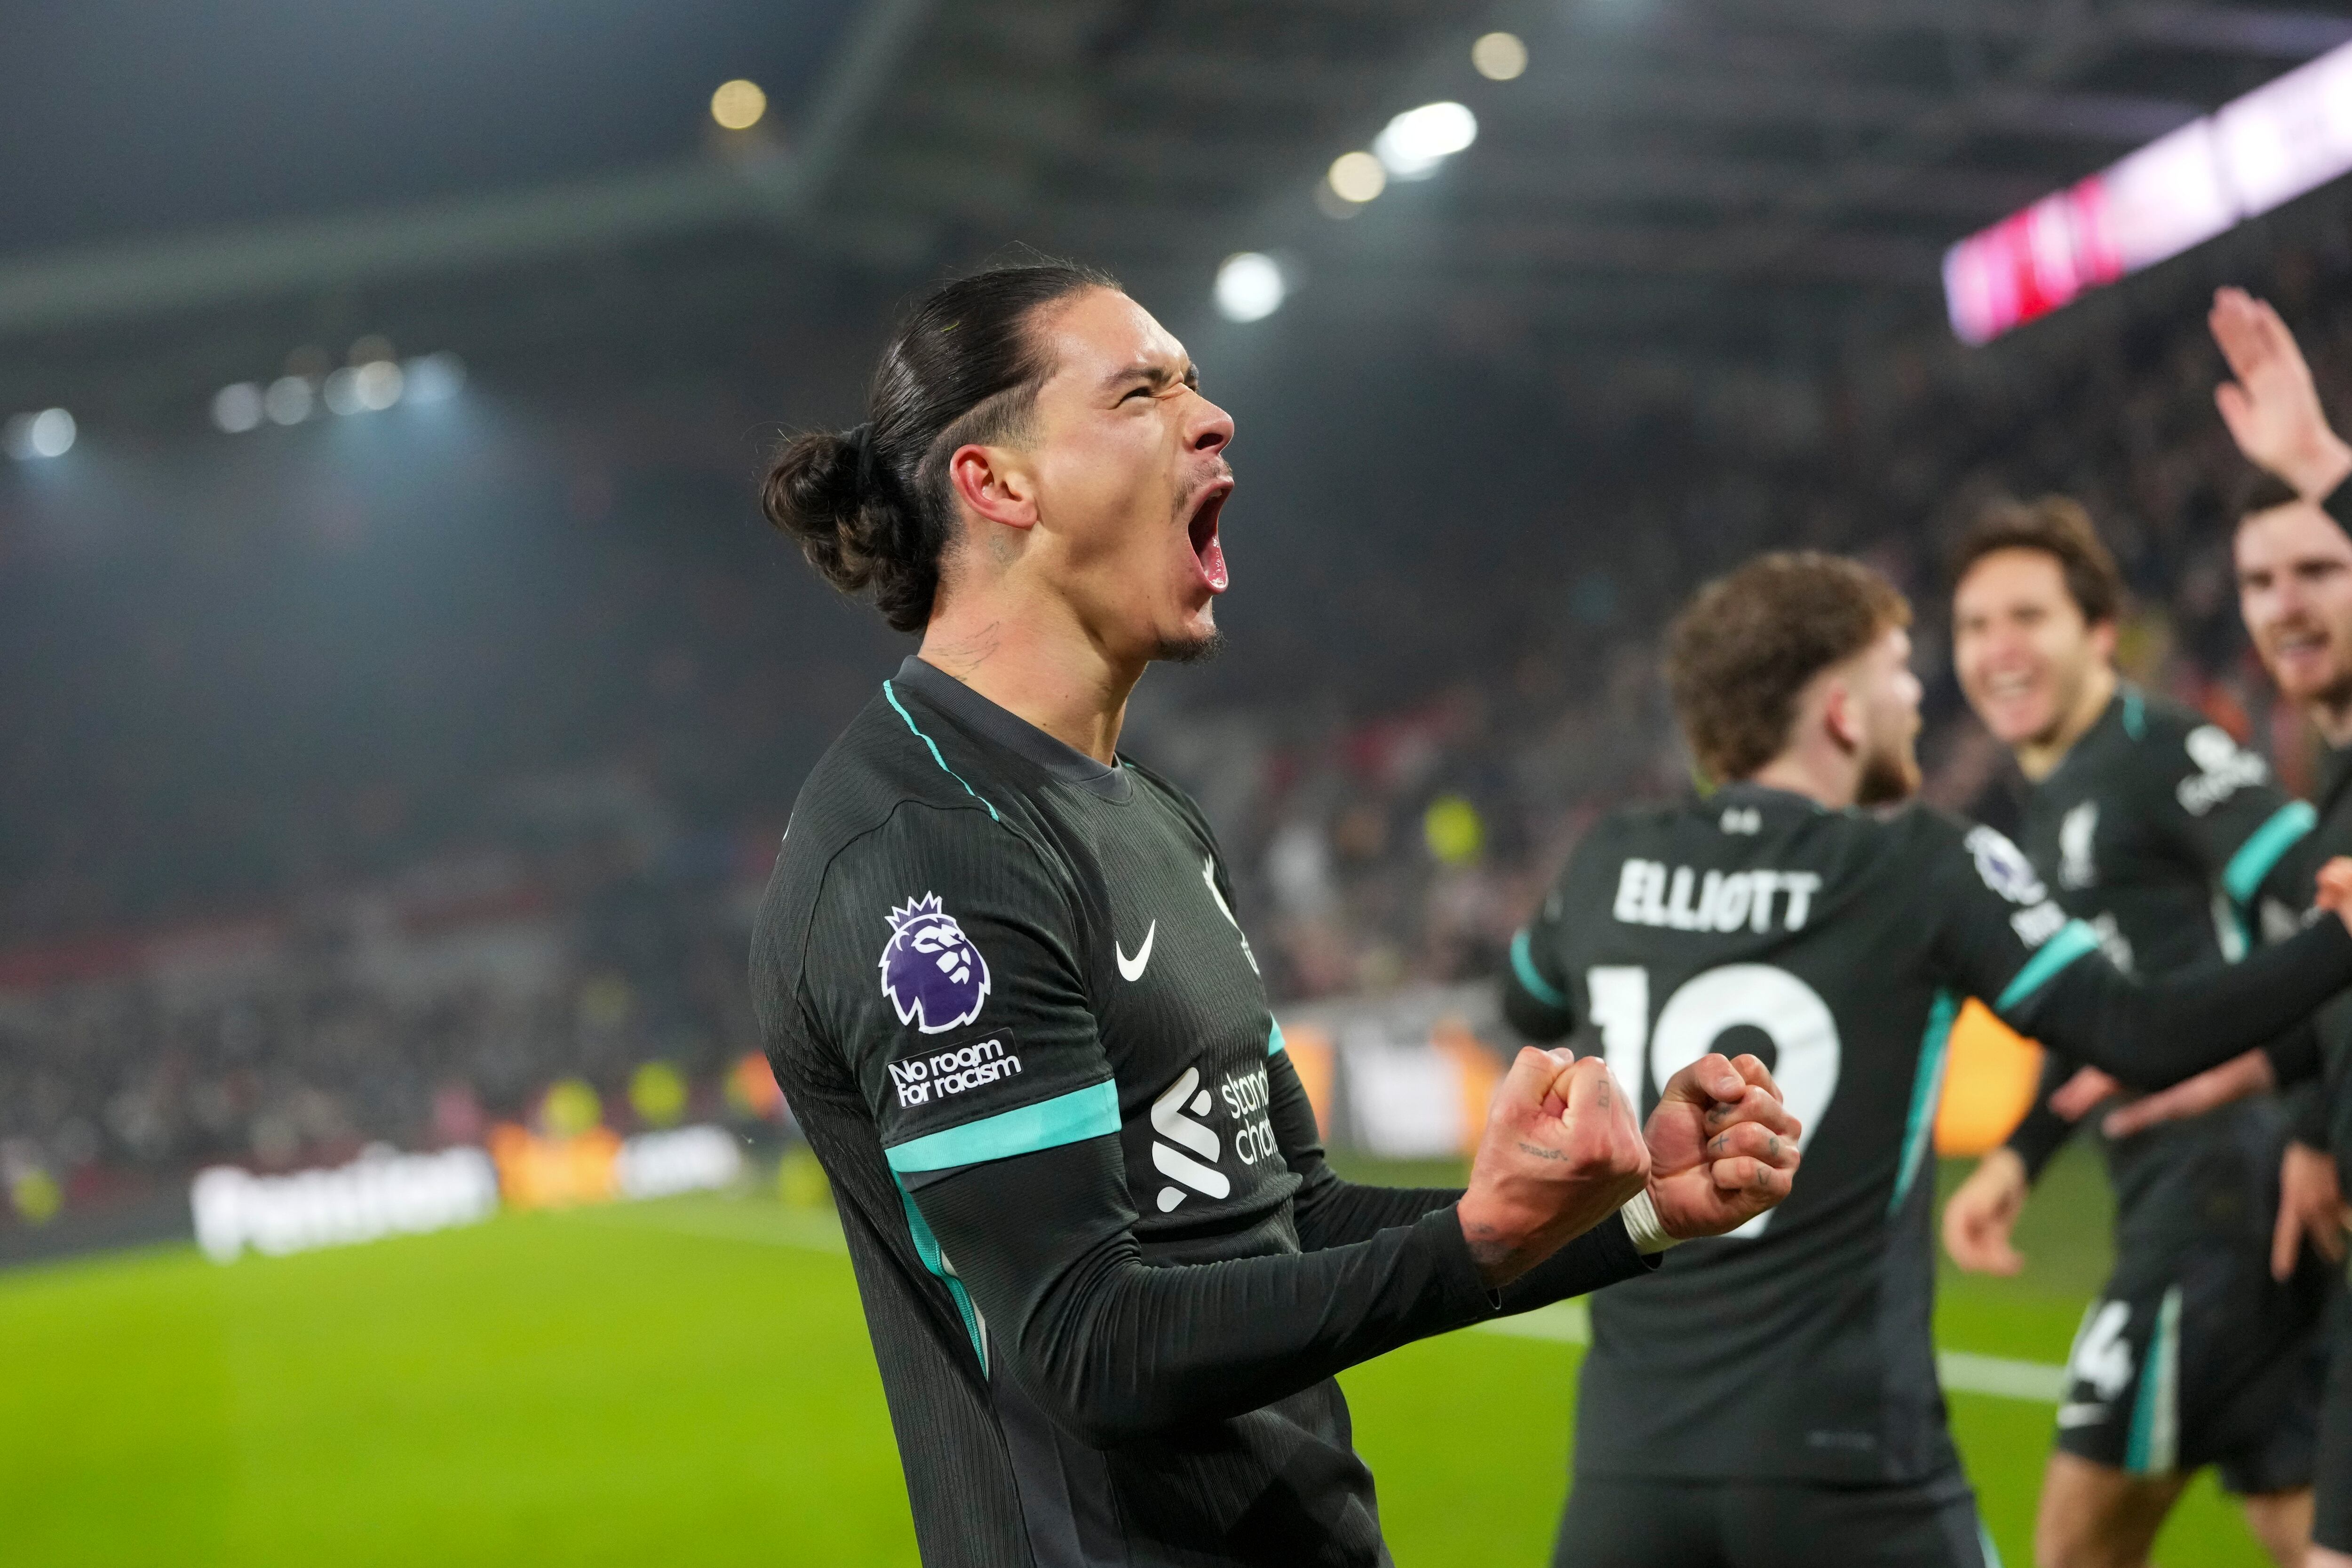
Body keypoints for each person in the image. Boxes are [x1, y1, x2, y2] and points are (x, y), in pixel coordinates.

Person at [746, 259, 1804, 1568]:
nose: (1213, 415)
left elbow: (1285, 1215)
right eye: (1142, 388)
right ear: (999, 483)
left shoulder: (1148, 814)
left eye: (1195, 380)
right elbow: (1087, 1340)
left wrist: (1629, 1210)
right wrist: (1475, 1242)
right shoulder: (926, 853)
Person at [1502, 550, 2352, 1568]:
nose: (1920, 695)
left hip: (1624, 1477)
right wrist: (2337, 944)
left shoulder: (1608, 859)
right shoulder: (1923, 863)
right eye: (1900, 669)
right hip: (1854, 1470)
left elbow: (1525, 997)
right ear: (1841, 712)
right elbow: (2142, 1032)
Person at [1939, 495, 2324, 1568]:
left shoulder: (2166, 750)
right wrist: (2021, 1156)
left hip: (2215, 1203)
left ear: (2098, 631)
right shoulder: (2048, 796)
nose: (1996, 649)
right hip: (2217, 1204)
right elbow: (2103, 1019)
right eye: (1973, 626)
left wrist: (2313, 1110)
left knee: (2074, 1552)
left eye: (2028, 616)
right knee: (2308, 1538)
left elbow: (2323, 893)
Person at [2202, 283, 2352, 1568]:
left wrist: (2319, 466)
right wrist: (2314, 1125)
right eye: (2259, 579)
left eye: (2318, 568)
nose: (2285, 604)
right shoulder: (2329, 789)